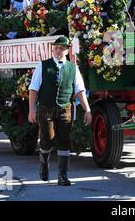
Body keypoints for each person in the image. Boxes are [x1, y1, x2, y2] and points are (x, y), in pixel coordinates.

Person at [28, 36, 92, 186]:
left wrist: (87, 110)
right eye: (56, 48)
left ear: (66, 50)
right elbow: (33, 89)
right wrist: (32, 110)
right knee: (47, 140)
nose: (58, 50)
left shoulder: (72, 68)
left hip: (65, 109)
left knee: (64, 141)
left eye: (61, 48)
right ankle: (44, 165)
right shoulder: (43, 66)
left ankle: (62, 176)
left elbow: (80, 91)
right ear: (53, 49)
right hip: (46, 109)